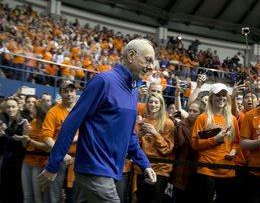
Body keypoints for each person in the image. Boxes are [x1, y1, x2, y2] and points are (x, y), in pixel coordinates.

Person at [38, 38, 157, 203]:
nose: (151, 67)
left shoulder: (133, 91)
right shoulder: (103, 81)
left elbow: (128, 135)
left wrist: (145, 164)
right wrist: (53, 165)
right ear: (131, 55)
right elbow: (72, 123)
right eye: (148, 60)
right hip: (94, 169)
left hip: (110, 171)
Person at [191, 83, 239, 203]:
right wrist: (214, 140)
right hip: (207, 168)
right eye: (218, 95)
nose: (221, 98)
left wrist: (234, 151)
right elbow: (194, 144)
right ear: (211, 97)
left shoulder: (232, 119)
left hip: (227, 169)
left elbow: (236, 142)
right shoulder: (203, 118)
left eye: (224, 95)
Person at [40, 81, 79, 203]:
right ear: (60, 93)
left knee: (74, 197)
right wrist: (61, 154)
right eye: (65, 91)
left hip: (77, 160)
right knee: (53, 196)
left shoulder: (80, 110)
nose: (69, 94)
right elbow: (46, 136)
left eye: (71, 91)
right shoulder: (54, 112)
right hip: (59, 159)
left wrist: (76, 138)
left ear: (75, 92)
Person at [134, 93, 175, 203]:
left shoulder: (168, 123)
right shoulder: (141, 123)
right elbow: (134, 148)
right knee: (142, 200)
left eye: (156, 102)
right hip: (142, 168)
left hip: (160, 169)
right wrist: (138, 137)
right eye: (150, 102)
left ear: (161, 105)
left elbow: (167, 149)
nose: (153, 104)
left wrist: (155, 134)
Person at [13, 99, 51, 203]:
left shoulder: (47, 125)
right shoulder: (32, 123)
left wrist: (29, 140)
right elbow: (25, 146)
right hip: (27, 162)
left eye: (34, 108)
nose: (31, 110)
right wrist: (25, 135)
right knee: (27, 196)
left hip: (39, 164)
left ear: (39, 110)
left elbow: (46, 147)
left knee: (38, 197)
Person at [172, 98, 206, 203]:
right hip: (183, 167)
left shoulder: (206, 126)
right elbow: (180, 142)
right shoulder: (181, 124)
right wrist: (177, 125)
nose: (191, 113)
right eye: (190, 110)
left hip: (200, 166)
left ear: (201, 113)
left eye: (195, 111)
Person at [0, 97, 29, 203]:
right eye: (8, 107)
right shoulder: (4, 122)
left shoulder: (22, 122)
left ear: (18, 108)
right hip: (6, 161)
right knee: (4, 190)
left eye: (13, 107)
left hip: (18, 162)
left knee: (16, 191)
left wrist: (4, 135)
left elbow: (18, 143)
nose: (11, 109)